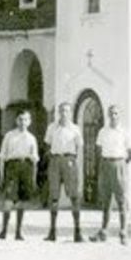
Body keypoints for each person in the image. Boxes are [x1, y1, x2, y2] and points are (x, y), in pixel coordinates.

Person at [91, 104, 131, 245]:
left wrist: (120, 165)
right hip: (105, 165)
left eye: (115, 113)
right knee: (106, 201)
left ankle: (123, 232)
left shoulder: (124, 132)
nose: (113, 116)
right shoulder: (103, 131)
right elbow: (98, 149)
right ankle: (103, 231)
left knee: (121, 201)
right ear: (108, 115)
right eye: (111, 113)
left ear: (119, 115)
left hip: (119, 164)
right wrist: (104, 164)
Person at [43, 101, 84, 242]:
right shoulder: (51, 128)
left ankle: (77, 232)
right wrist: (52, 159)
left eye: (66, 111)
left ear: (70, 113)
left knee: (74, 196)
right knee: (53, 196)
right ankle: (52, 232)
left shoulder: (75, 129)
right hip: (55, 160)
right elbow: (47, 145)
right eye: (61, 111)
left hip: (69, 160)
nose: (63, 113)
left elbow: (79, 147)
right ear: (58, 112)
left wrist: (71, 159)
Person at [0, 109, 39, 241]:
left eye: (26, 119)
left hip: (26, 167)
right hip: (12, 167)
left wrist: (34, 178)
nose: (23, 122)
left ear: (29, 121)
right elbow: (2, 157)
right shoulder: (9, 136)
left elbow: (35, 160)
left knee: (22, 200)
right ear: (16, 120)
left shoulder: (32, 138)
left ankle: (18, 232)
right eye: (20, 119)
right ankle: (4, 230)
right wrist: (1, 175)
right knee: (8, 199)